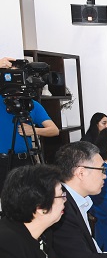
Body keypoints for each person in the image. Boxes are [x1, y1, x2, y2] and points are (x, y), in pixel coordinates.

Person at [0, 56, 60, 193]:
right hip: (2, 162)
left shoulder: (32, 105)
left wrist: (34, 131)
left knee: (29, 198)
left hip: (25, 161)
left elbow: (54, 130)